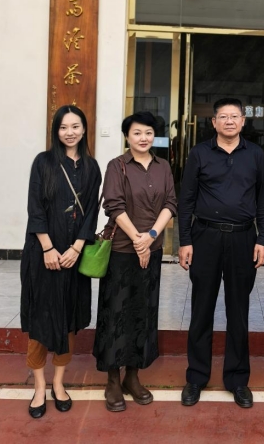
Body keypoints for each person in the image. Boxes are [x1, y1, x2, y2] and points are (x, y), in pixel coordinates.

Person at [178, 98, 264, 408]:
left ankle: (237, 379)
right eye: (223, 116)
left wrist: (263, 239)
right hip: (205, 237)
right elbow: (186, 199)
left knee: (238, 311)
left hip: (244, 238)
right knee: (201, 309)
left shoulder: (255, 154)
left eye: (234, 116)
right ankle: (196, 377)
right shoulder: (199, 153)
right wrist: (185, 240)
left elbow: (263, 199)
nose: (229, 121)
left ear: (243, 121)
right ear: (214, 122)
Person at [21, 105, 101, 419]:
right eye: (63, 127)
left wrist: (77, 248)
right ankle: (40, 386)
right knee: (41, 320)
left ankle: (58, 382)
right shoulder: (43, 162)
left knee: (68, 318)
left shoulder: (92, 167)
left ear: (84, 129)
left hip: (73, 257)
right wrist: (48, 248)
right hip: (43, 255)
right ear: (56, 131)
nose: (70, 132)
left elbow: (91, 212)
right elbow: (35, 208)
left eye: (75, 126)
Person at [93, 111, 177, 412]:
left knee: (143, 312)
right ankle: (112, 380)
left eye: (149, 133)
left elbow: (171, 203)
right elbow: (113, 205)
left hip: (151, 250)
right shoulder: (117, 166)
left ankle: (132, 376)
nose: (143, 138)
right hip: (121, 252)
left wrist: (150, 236)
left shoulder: (163, 166)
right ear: (127, 136)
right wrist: (137, 239)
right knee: (116, 313)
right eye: (137, 133)